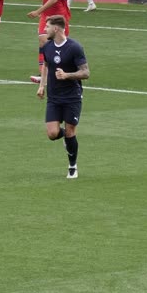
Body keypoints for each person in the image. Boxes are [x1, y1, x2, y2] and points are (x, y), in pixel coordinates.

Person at [36, 15, 87, 179]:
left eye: (47, 26)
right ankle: (67, 137)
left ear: (56, 29)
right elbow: (46, 65)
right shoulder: (47, 46)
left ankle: (72, 166)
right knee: (52, 133)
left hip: (72, 96)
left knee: (71, 131)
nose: (45, 29)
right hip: (54, 97)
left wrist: (67, 75)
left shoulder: (74, 47)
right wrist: (42, 85)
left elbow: (86, 72)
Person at [28, 0, 71, 84]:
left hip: (58, 15)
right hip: (46, 15)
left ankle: (62, 70)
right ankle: (43, 73)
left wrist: (37, 11)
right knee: (42, 40)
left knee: (59, 44)